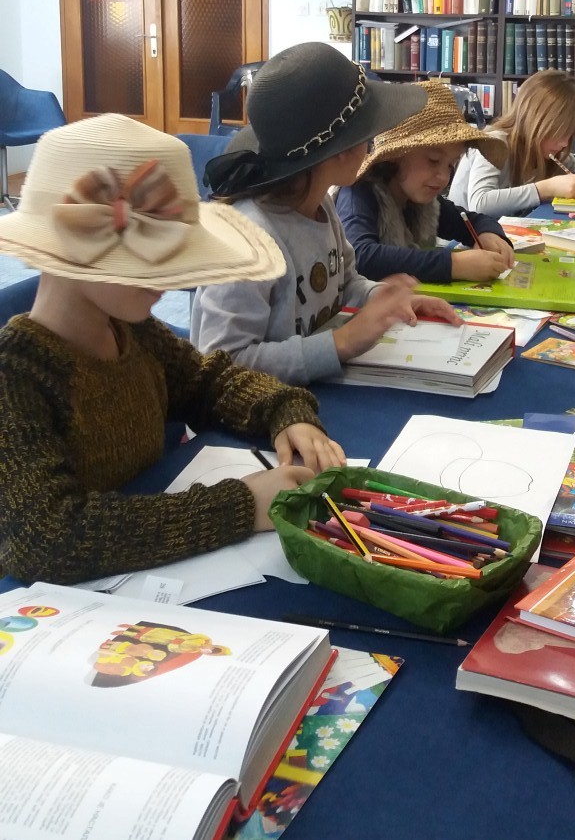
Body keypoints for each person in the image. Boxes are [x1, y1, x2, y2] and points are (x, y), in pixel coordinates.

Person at [0, 112, 346, 586]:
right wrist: (242, 505)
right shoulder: (15, 376)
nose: (172, 280)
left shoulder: (134, 331)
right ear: (78, 249)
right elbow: (48, 537)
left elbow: (210, 382)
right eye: (151, 257)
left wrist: (286, 411)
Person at [191, 43, 461, 384]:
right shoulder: (247, 240)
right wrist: (341, 343)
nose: (372, 142)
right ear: (340, 151)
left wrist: (382, 299)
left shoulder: (320, 204)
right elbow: (222, 364)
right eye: (367, 132)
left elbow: (343, 281)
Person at [334, 78, 514, 283]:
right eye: (433, 160)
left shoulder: (424, 201)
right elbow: (362, 256)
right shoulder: (358, 193)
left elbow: (472, 220)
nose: (444, 177)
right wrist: (453, 265)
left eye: (450, 165)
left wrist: (488, 233)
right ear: (396, 154)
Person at [448, 71, 575, 219]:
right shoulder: (494, 143)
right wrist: (546, 189)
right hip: (462, 240)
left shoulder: (546, 155)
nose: (565, 143)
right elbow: (480, 204)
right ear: (536, 123)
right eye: (559, 133)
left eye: (570, 135)